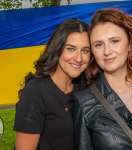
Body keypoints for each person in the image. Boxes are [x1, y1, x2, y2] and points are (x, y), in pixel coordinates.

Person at [74, 8, 132, 150]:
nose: (107, 51)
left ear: (130, 43)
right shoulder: (84, 102)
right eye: (98, 45)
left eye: (114, 41)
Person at [14, 18, 91, 150]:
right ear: (57, 48)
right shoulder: (35, 92)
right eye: (71, 49)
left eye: (85, 50)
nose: (79, 58)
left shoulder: (84, 87)